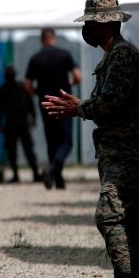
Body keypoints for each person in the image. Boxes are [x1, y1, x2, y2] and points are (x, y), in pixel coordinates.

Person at [41, 0, 139, 278]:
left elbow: (112, 104)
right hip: (115, 150)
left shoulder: (123, 56)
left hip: (124, 150)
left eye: (91, 22)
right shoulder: (112, 55)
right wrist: (80, 108)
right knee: (126, 219)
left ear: (106, 24)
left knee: (110, 215)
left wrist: (79, 108)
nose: (86, 28)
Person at [25, 27, 83, 189]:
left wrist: (39, 93)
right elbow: (78, 76)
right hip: (64, 102)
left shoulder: (35, 59)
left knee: (52, 140)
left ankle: (57, 179)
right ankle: (53, 169)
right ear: (54, 39)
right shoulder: (64, 55)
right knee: (66, 141)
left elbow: (28, 85)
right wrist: (71, 84)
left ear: (42, 40)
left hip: (46, 104)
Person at [0, 66, 41, 183]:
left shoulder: (15, 88)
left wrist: (33, 117)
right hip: (14, 122)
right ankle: (20, 174)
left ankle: (34, 173)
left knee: (26, 148)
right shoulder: (3, 90)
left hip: (20, 122)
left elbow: (30, 104)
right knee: (14, 150)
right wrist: (0, 123)